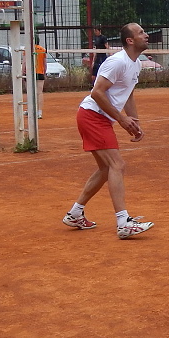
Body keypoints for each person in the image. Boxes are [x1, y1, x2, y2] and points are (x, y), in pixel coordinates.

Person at [62, 23, 154, 239]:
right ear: (130, 41)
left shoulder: (135, 64)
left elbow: (128, 94)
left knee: (106, 169)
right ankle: (123, 223)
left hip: (99, 118)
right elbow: (97, 93)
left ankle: (75, 213)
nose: (146, 35)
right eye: (141, 32)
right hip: (92, 116)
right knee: (117, 165)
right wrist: (122, 119)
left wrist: (135, 122)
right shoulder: (117, 62)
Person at [22, 41, 47, 118]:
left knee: (30, 92)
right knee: (39, 93)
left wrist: (22, 73)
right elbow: (45, 64)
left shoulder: (27, 49)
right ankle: (39, 112)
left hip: (29, 73)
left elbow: (24, 62)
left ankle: (30, 110)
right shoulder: (42, 49)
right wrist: (44, 73)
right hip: (39, 73)